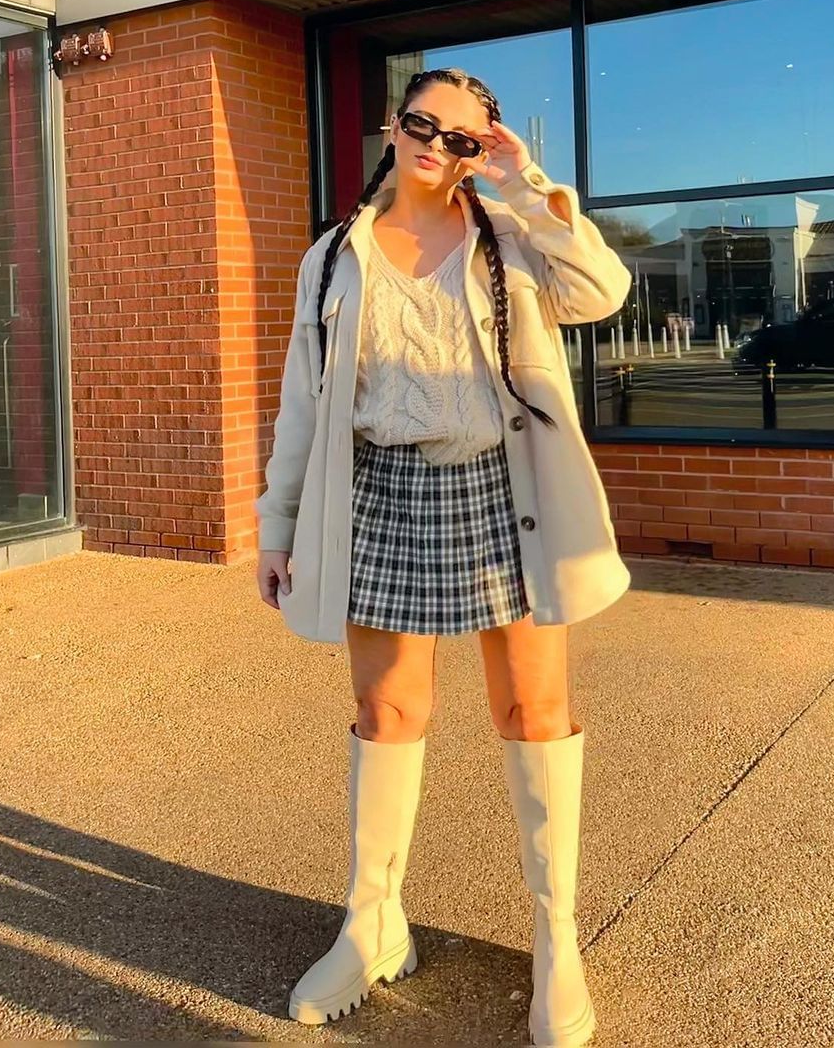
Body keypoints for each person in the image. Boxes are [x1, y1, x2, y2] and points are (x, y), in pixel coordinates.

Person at [254, 67, 631, 1047]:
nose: (437, 145)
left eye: (462, 137)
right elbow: (302, 401)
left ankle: (556, 939)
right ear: (394, 124)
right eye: (423, 124)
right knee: (387, 710)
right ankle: (372, 921)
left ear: (479, 151)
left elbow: (603, 291)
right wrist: (276, 524)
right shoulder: (333, 256)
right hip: (378, 493)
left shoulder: (509, 233)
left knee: (533, 710)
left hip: (505, 492)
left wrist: (526, 182)